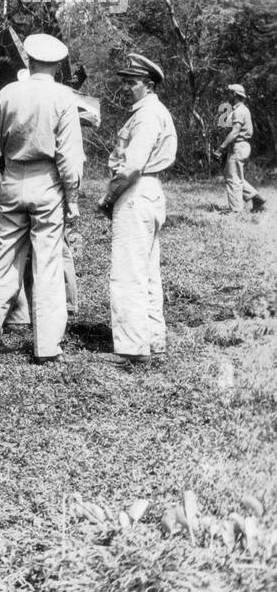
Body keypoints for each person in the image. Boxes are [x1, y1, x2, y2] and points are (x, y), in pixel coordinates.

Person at [0, 33, 84, 362]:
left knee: (2, 259)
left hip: (11, 179)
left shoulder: (8, 93)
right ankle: (46, 347)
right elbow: (68, 158)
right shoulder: (64, 98)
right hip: (47, 181)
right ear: (58, 64)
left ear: (29, 60)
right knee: (47, 264)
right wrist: (72, 199)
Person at [97, 55, 177, 367]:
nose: (127, 87)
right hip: (148, 191)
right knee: (146, 273)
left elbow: (131, 167)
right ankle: (152, 339)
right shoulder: (152, 112)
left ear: (150, 84)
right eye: (126, 81)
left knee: (128, 274)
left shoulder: (147, 116)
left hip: (137, 190)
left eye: (133, 82)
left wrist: (108, 198)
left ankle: (132, 347)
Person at [217, 84, 265, 213]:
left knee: (233, 179)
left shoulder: (239, 111)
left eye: (229, 93)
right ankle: (257, 198)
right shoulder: (240, 109)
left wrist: (221, 148)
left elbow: (235, 131)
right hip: (240, 145)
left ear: (234, 95)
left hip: (238, 145)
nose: (227, 95)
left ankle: (235, 211)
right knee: (235, 175)